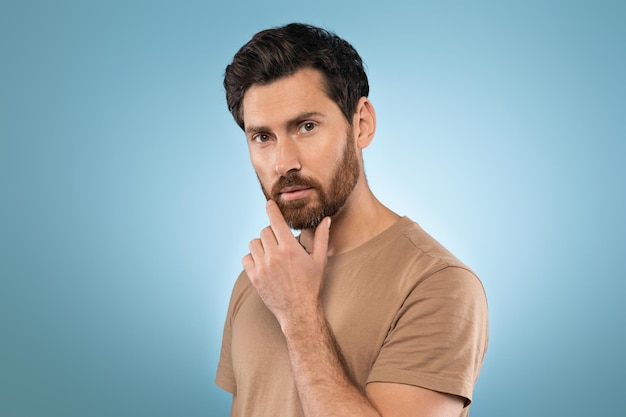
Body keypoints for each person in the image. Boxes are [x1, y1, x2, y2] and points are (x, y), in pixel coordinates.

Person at [215, 23, 488, 417]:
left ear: (361, 123)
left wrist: (298, 315)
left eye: (306, 127)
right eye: (262, 137)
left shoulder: (437, 283)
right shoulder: (260, 276)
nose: (282, 162)